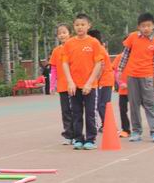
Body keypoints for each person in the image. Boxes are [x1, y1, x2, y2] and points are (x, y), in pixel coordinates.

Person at [118, 12, 154, 143]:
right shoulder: (133, 37)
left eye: (148, 25)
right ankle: (136, 131)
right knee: (134, 104)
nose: (146, 28)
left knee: (150, 104)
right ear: (139, 27)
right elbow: (125, 54)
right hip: (132, 76)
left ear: (153, 26)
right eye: (143, 26)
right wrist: (120, 69)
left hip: (147, 77)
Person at [61, 13, 104, 150]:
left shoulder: (94, 42)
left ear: (88, 26)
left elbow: (98, 64)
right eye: (77, 25)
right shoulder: (69, 43)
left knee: (90, 113)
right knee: (76, 113)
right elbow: (65, 63)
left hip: (90, 86)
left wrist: (89, 83)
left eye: (83, 24)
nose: (80, 27)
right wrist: (70, 82)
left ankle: (91, 139)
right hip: (74, 86)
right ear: (74, 26)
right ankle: (78, 138)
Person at [48, 23, 74, 144]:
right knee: (66, 111)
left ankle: (77, 134)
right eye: (59, 33)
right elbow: (53, 69)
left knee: (76, 110)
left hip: (75, 85)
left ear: (70, 33)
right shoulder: (56, 51)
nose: (62, 35)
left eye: (64, 32)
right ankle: (69, 135)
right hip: (63, 86)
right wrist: (52, 85)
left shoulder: (74, 47)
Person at [88, 29, 113, 132]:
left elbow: (101, 66)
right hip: (105, 80)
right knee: (102, 104)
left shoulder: (99, 49)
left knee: (101, 104)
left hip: (104, 80)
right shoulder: (100, 48)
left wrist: (94, 80)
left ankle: (108, 125)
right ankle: (105, 124)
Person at [112, 53, 131, 137]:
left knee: (148, 107)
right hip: (123, 89)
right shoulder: (119, 57)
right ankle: (126, 130)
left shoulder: (137, 56)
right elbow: (115, 71)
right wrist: (120, 83)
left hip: (136, 89)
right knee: (123, 110)